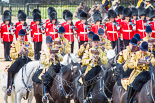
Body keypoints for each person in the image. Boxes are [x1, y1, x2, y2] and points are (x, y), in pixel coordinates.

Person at [6, 29, 33, 96]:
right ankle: (9, 86)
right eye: (21, 36)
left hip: (26, 59)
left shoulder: (28, 44)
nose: (22, 38)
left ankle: (35, 85)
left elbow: (32, 53)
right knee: (10, 70)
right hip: (18, 60)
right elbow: (11, 55)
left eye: (23, 36)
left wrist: (27, 51)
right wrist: (18, 53)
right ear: (18, 36)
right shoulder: (14, 44)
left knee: (34, 68)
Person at [82, 34, 108, 101]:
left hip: (100, 68)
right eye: (95, 42)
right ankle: (86, 96)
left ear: (99, 42)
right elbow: (83, 61)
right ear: (92, 43)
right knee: (87, 79)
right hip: (91, 68)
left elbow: (105, 60)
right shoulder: (88, 51)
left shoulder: (102, 51)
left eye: (97, 42)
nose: (96, 44)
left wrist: (99, 59)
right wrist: (90, 59)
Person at [39, 36, 63, 102]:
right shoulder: (44, 51)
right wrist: (49, 58)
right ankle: (45, 94)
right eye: (49, 43)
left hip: (56, 67)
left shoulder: (55, 49)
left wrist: (56, 55)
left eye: (51, 43)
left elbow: (61, 58)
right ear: (46, 43)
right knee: (46, 78)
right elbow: (42, 61)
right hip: (48, 68)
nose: (50, 44)